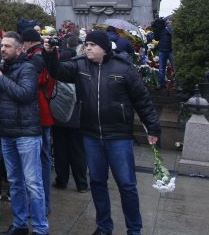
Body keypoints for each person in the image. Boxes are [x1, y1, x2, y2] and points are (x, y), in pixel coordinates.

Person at [44, 30, 161, 235]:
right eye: (86, 44)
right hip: (91, 135)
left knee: (126, 185)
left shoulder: (124, 69)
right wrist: (50, 53)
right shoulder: (80, 65)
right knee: (97, 182)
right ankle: (104, 227)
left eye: (92, 45)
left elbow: (142, 100)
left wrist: (152, 127)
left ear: (104, 48)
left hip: (118, 136)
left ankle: (134, 229)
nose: (88, 47)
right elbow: (57, 72)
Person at [0, 32, 49, 235]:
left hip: (27, 134)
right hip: (7, 133)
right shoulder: (3, 67)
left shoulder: (28, 68)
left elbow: (25, 94)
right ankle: (20, 224)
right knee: (15, 182)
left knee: (33, 183)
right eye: (2, 45)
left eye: (7, 46)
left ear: (20, 49)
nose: (2, 49)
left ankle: (41, 229)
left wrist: (0, 78)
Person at [21, 28, 55, 216]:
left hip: (39, 113)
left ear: (26, 43)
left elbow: (34, 81)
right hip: (43, 113)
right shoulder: (43, 54)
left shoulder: (37, 57)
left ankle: (40, 206)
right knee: (41, 160)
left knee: (40, 161)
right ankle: (42, 205)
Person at [51, 34, 88, 193]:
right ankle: (81, 184)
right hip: (77, 115)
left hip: (59, 114)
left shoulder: (60, 62)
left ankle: (61, 180)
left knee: (60, 150)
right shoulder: (82, 66)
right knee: (78, 151)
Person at [150, 17, 174, 89]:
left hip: (162, 50)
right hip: (170, 50)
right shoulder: (169, 29)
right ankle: (178, 85)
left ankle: (161, 85)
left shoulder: (159, 30)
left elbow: (156, 38)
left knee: (161, 69)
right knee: (174, 67)